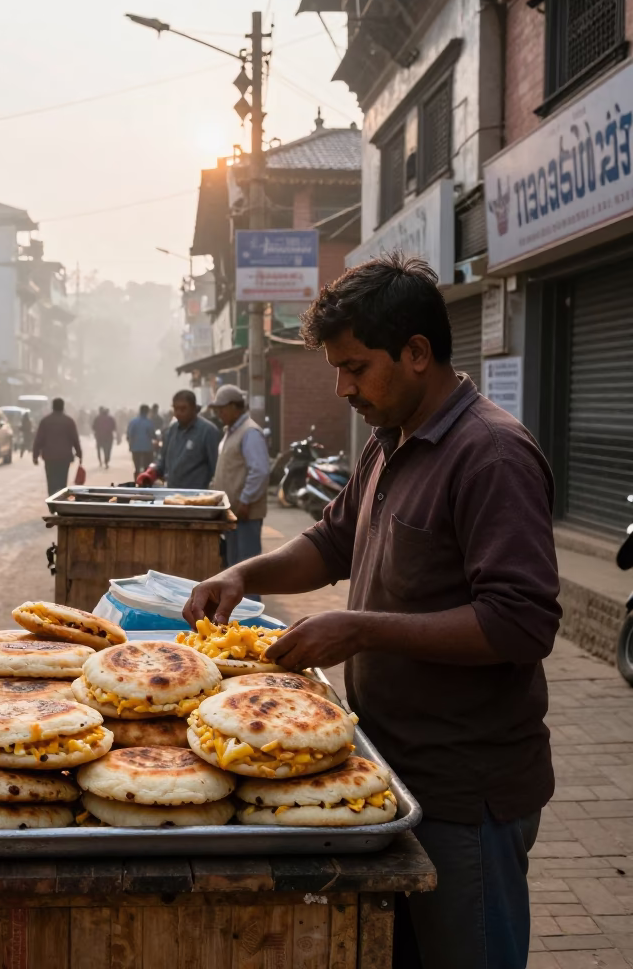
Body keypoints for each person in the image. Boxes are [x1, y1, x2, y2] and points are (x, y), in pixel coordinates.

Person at [184, 254, 561, 969]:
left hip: (466, 788)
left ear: (417, 353)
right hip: (390, 767)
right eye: (336, 369)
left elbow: (521, 622)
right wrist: (242, 571)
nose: (342, 387)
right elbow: (331, 542)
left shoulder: (491, 456)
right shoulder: (389, 441)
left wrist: (358, 629)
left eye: (355, 367)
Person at [208, 384, 269, 578]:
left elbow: (259, 470)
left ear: (236, 406)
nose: (219, 414)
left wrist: (246, 500)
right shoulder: (232, 431)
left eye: (222, 409)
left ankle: (250, 607)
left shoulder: (249, 432)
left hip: (245, 513)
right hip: (233, 512)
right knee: (233, 569)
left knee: (246, 571)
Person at [138, 389, 220, 490]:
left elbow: (216, 469)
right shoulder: (171, 430)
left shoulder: (208, 431)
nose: (179, 413)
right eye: (176, 409)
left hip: (197, 496)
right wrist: (152, 472)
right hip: (172, 493)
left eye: (183, 409)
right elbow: (162, 460)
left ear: (194, 408)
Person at [33, 397, 82, 495]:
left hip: (50, 457)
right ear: (63, 407)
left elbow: (39, 440)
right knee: (62, 482)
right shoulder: (69, 421)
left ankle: (52, 501)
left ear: (52, 407)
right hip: (64, 457)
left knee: (51, 482)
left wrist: (35, 455)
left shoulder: (45, 421)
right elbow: (75, 440)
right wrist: (79, 454)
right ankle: (59, 502)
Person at [126, 404, 156, 475]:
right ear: (147, 412)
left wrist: (130, 445)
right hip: (147, 448)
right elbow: (152, 435)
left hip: (135, 448)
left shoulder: (133, 422)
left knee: (137, 468)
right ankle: (145, 483)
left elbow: (130, 435)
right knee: (147, 468)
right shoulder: (149, 422)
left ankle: (136, 480)